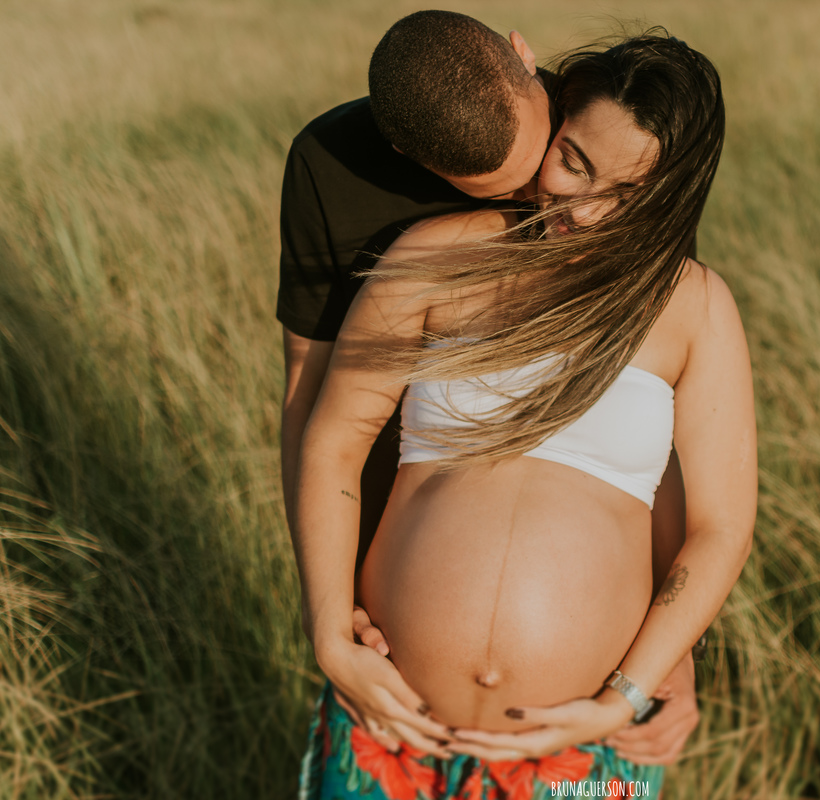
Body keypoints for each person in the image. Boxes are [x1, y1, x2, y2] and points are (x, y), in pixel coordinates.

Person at [292, 32, 756, 800]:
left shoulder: (696, 309)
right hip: (390, 723)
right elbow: (334, 442)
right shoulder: (433, 256)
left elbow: (718, 527)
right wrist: (330, 634)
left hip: (573, 748)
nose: (584, 206)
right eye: (574, 160)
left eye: (628, 196)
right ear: (556, 120)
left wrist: (625, 699)